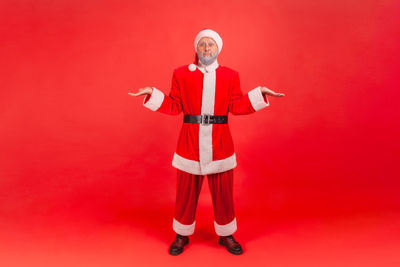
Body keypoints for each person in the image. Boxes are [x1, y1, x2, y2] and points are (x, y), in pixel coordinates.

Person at [129, 29, 285, 255]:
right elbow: (174, 105)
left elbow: (237, 105)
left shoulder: (230, 75)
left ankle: (226, 234)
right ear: (196, 48)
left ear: (218, 48)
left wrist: (259, 93)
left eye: (211, 44)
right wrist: (152, 93)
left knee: (223, 191)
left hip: (220, 140)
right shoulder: (181, 74)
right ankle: (181, 234)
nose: (206, 48)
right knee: (185, 190)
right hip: (190, 140)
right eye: (202, 44)